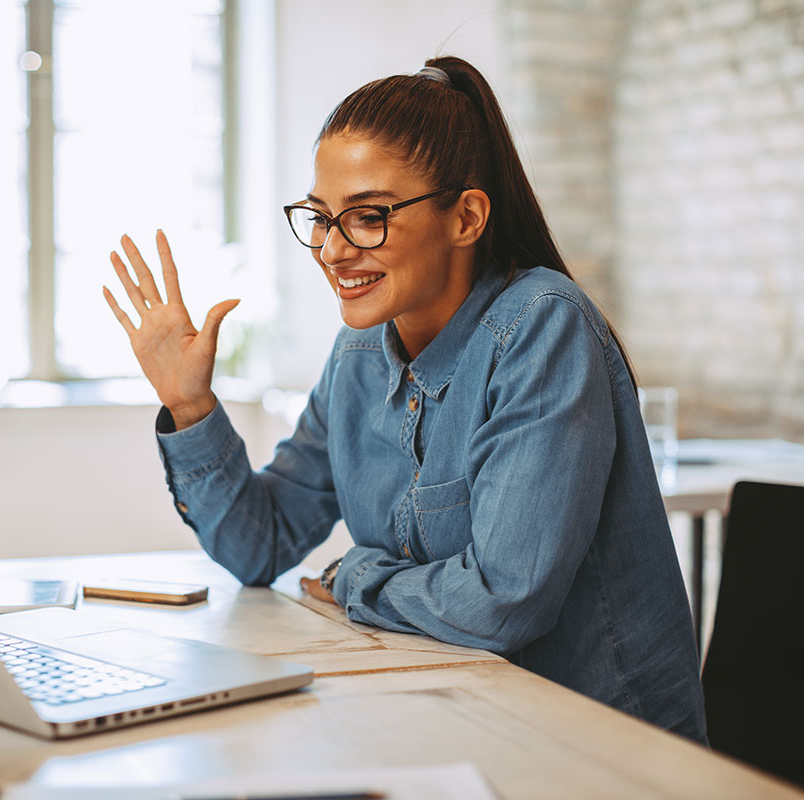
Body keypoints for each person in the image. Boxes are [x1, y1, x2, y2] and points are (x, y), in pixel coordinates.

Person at [102, 56, 707, 744]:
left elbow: (504, 602)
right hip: (449, 719)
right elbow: (260, 544)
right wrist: (190, 406)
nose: (332, 249)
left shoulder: (541, 325)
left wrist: (359, 574)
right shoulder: (358, 354)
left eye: (366, 216)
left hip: (596, 748)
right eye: (321, 218)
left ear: (466, 217)